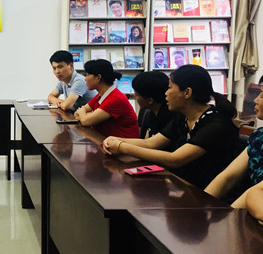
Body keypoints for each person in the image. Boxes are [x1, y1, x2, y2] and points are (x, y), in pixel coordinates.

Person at [102, 65, 243, 190]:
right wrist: (115, 139)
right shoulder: (182, 117)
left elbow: (175, 159)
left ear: (187, 93)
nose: (166, 93)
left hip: (208, 194)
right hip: (184, 186)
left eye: (170, 88)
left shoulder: (216, 125)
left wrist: (121, 146)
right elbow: (151, 143)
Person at [205, 77, 263, 206]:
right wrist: (199, 207)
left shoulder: (214, 124)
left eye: (262, 95)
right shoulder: (259, 137)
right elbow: (227, 178)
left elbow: (256, 191)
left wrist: (232, 214)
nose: (255, 100)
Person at [73, 59, 139, 138]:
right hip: (105, 140)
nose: (85, 79)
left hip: (123, 144)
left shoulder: (116, 98)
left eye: (87, 75)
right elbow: (80, 112)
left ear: (98, 77)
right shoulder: (101, 95)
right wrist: (84, 114)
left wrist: (84, 114)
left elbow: (85, 121)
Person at [132, 71, 181, 139]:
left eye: (136, 94)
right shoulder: (151, 112)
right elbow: (146, 141)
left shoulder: (169, 117)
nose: (134, 96)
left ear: (150, 100)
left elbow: (151, 143)